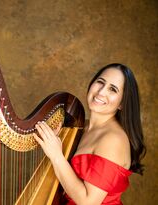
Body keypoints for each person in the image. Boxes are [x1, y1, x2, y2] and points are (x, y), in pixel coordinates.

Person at [33, 63, 146, 205]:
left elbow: (88, 202)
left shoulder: (113, 139)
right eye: (100, 82)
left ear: (121, 104)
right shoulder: (82, 127)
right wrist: (53, 141)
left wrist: (56, 155)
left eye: (113, 89)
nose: (101, 92)